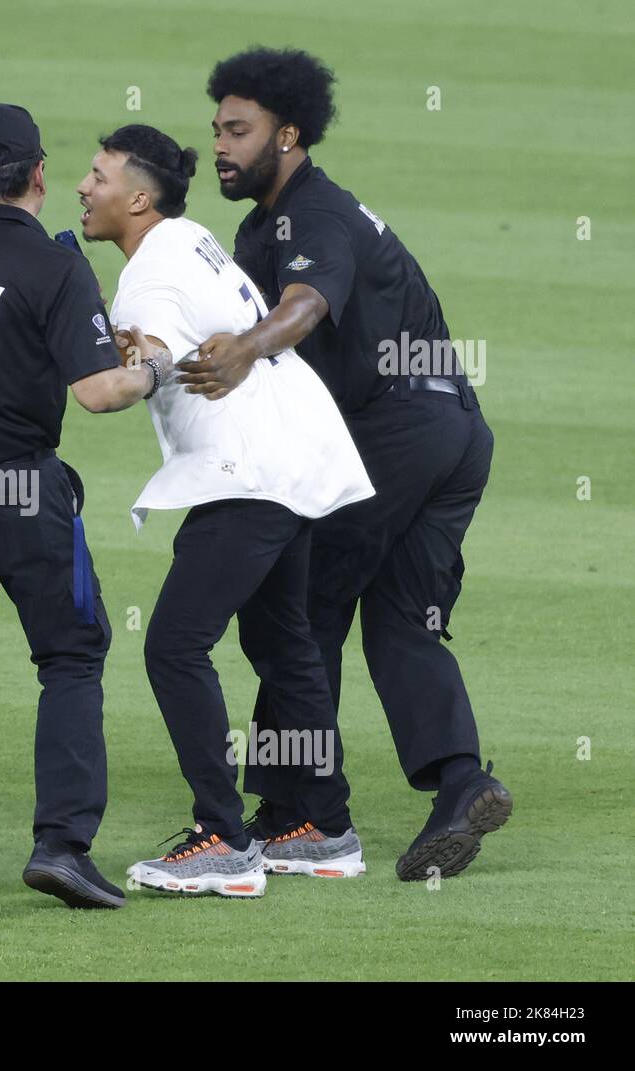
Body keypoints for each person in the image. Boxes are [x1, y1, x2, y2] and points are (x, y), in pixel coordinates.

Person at [179, 48, 512, 880]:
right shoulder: (268, 225)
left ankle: (300, 811)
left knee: (297, 599)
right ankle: (460, 779)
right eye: (217, 127)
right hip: (453, 429)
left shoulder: (309, 217)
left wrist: (246, 352)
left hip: (397, 428)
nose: (220, 143)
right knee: (405, 618)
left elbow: (305, 304)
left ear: (287, 134)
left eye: (238, 129)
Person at [77, 124, 374, 896]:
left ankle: (223, 839)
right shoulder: (192, 235)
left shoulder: (146, 281)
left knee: (173, 646)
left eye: (99, 176)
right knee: (284, 643)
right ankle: (324, 828)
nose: (84, 186)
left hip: (247, 471)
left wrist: (128, 365)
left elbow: (153, 361)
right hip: (296, 455)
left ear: (138, 198)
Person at [0, 104, 168, 910]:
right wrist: (158, 368)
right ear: (39, 177)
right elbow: (97, 393)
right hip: (19, 490)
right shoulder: (54, 268)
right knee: (73, 654)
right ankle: (62, 846)